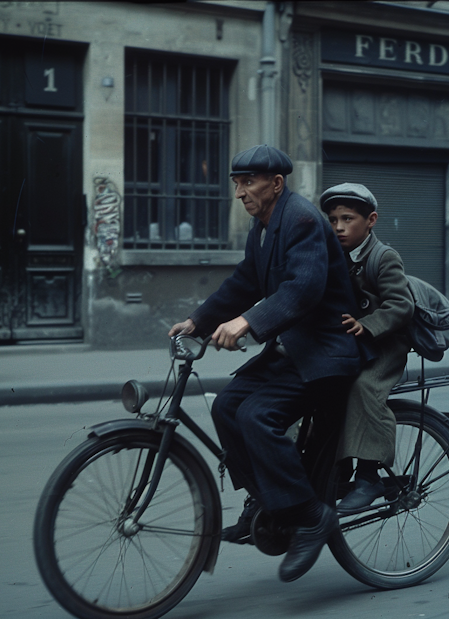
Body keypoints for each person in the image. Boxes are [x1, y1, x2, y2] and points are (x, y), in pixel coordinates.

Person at [168, 145, 362, 582]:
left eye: (247, 182)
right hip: (294, 348)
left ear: (275, 184)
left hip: (326, 352)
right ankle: (269, 500)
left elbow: (304, 289)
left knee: (258, 415)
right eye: (236, 182)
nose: (239, 192)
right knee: (226, 406)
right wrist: (198, 321)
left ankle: (312, 516)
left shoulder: (303, 220)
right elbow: (244, 282)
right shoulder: (263, 227)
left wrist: (247, 322)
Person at [320, 183, 414, 516]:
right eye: (332, 220)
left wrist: (369, 324)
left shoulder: (383, 257)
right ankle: (337, 469)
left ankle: (369, 474)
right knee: (320, 385)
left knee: (364, 388)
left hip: (386, 344)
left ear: (371, 220)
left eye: (348, 219)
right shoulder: (335, 257)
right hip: (352, 343)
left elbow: (401, 306)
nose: (339, 227)